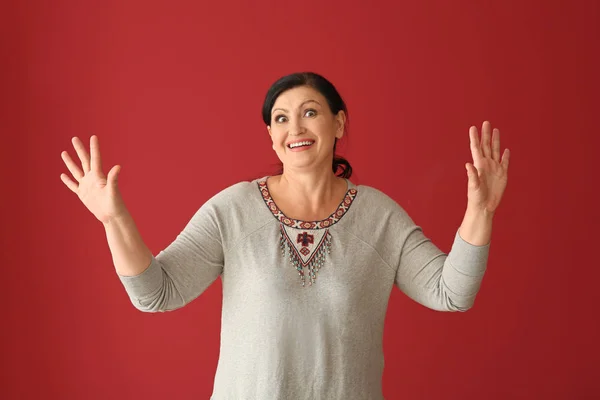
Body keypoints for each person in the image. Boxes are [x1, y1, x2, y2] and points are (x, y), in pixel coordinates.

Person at [60, 72, 510, 399]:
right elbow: (155, 293)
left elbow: (451, 293)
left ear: (339, 124)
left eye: (309, 113)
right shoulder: (233, 210)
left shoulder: (379, 218)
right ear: (272, 138)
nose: (294, 128)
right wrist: (113, 219)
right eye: (280, 119)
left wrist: (481, 210)